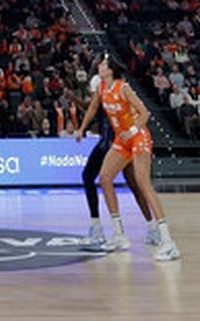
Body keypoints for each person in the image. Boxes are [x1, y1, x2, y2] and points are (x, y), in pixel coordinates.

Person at [75, 58, 177, 260]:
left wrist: (132, 130)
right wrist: (81, 128)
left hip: (138, 136)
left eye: (103, 65)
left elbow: (144, 113)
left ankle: (168, 242)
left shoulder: (124, 88)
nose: (99, 67)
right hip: (122, 140)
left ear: (110, 70)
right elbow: (92, 109)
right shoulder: (102, 88)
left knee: (143, 185)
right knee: (105, 178)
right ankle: (119, 235)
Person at [76, 72, 155, 249]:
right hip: (117, 141)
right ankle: (151, 227)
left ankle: (100, 229)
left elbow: (92, 108)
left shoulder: (110, 93)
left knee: (94, 177)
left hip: (114, 142)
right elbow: (91, 109)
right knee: (132, 185)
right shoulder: (106, 92)